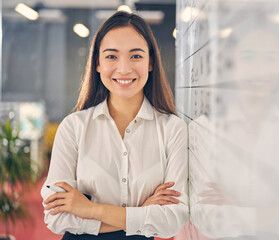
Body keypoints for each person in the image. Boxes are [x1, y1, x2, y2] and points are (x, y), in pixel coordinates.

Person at [40, 11, 188, 240]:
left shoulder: (172, 130)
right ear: (97, 64)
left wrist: (90, 209)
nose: (124, 68)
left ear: (151, 63)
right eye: (111, 57)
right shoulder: (73, 127)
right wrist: (141, 214)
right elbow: (56, 217)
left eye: (136, 56)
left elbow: (171, 220)